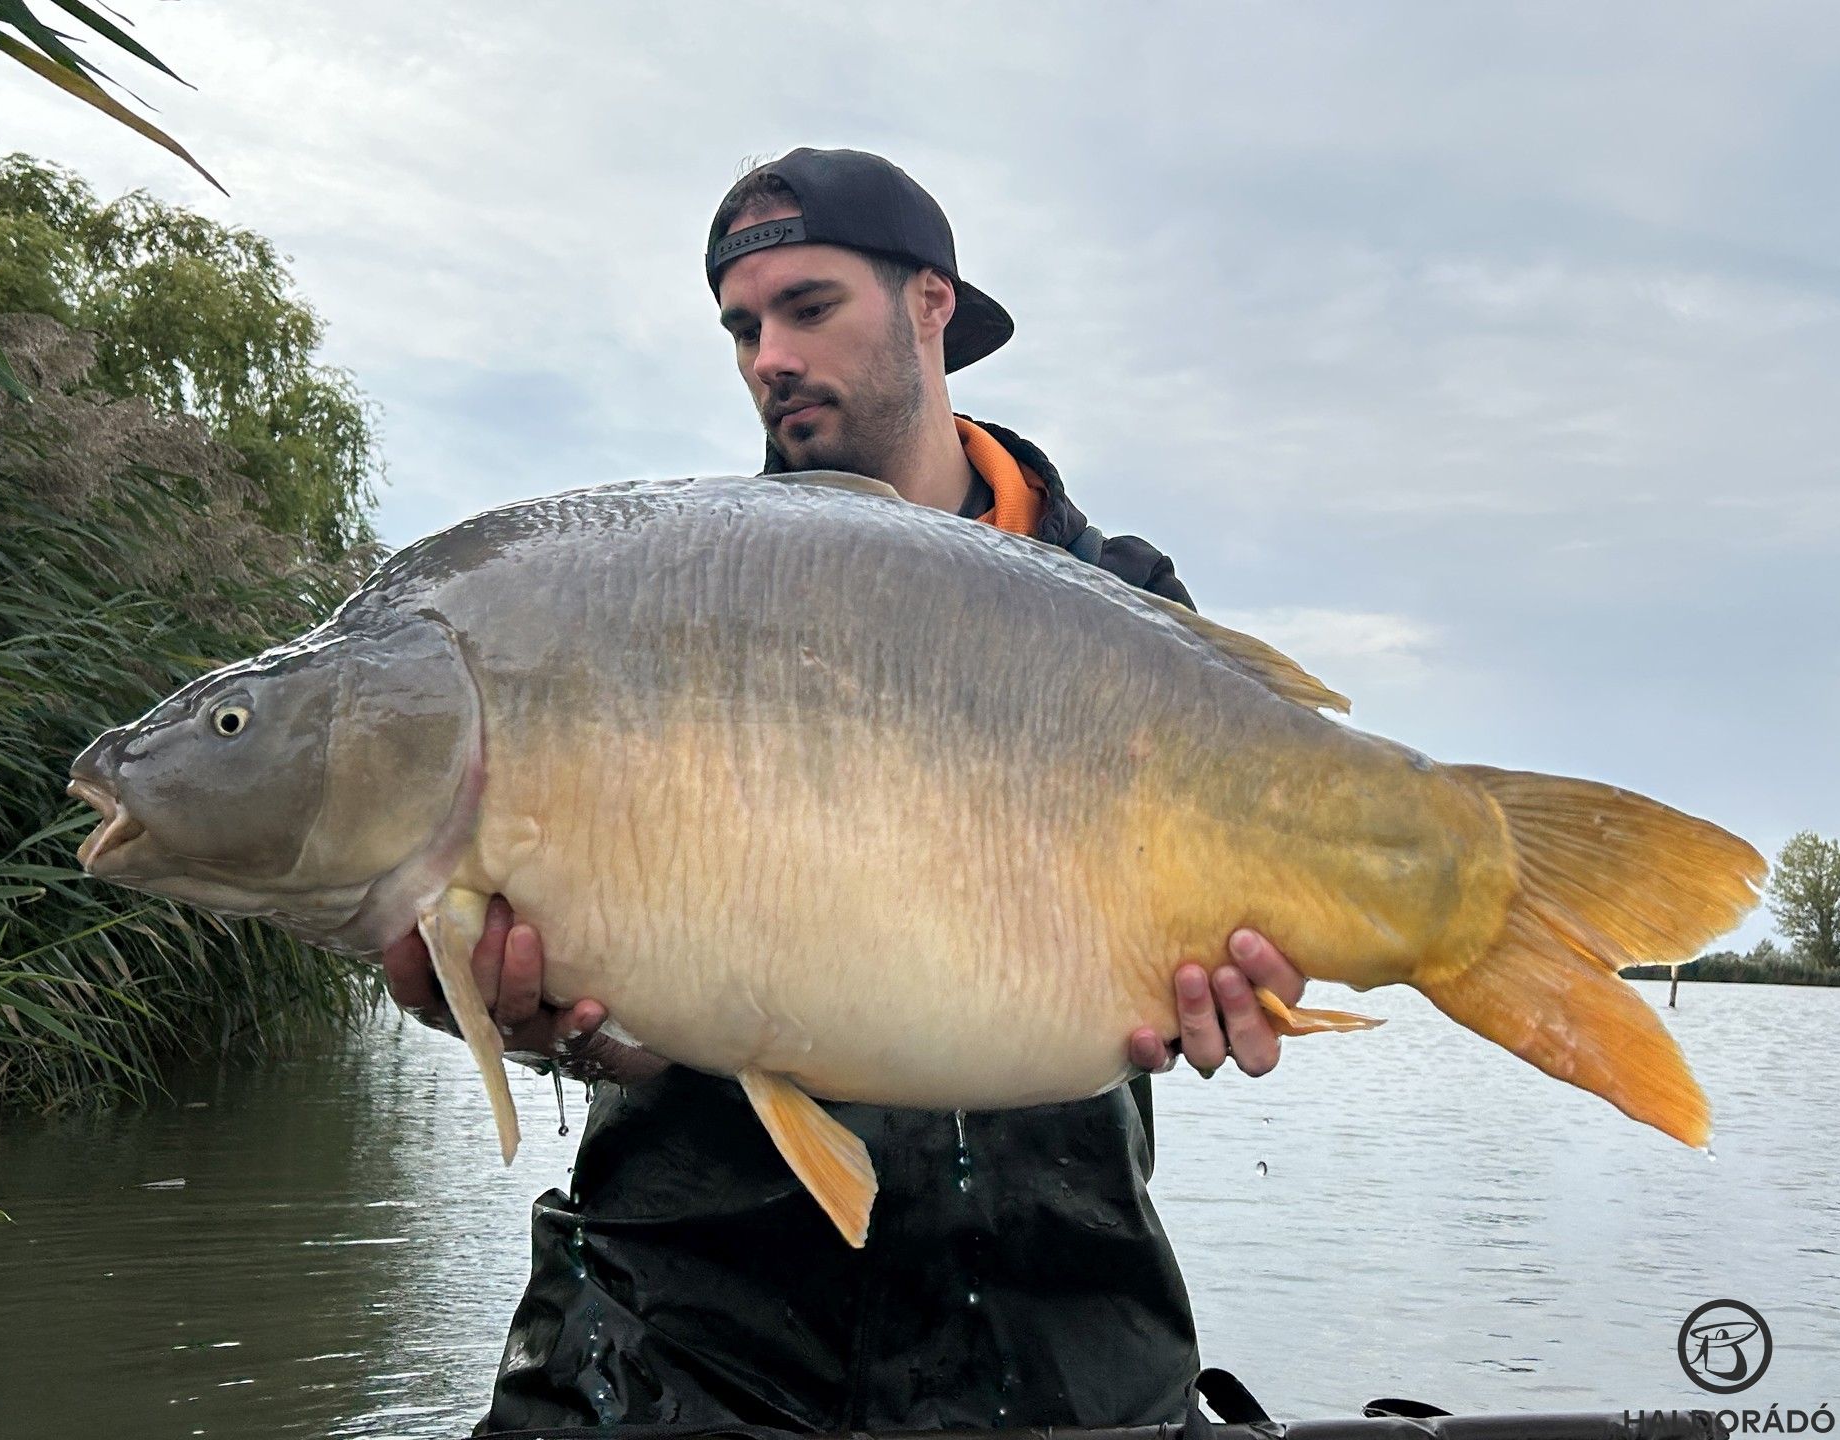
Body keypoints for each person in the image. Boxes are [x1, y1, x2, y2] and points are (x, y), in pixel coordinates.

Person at [382, 147, 1310, 1435]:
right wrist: (542, 1024)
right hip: (681, 1336)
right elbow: (607, 996)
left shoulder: (1129, 606)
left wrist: (1246, 987)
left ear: (933, 303)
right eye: (742, 327)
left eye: (810, 309)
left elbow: (1223, 964)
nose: (768, 355)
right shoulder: (663, 595)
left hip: (1060, 1329)